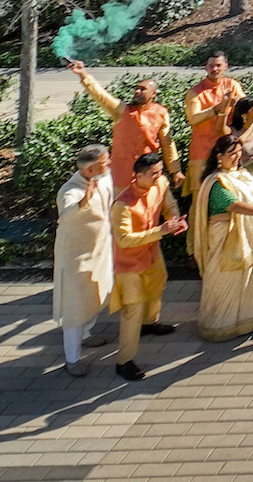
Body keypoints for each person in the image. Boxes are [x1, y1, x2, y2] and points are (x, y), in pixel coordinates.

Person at [189, 133, 253, 341]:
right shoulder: (217, 181)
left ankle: (246, 320)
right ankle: (218, 326)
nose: (236, 157)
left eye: (238, 153)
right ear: (219, 156)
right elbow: (233, 205)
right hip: (223, 238)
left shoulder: (241, 175)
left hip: (246, 235)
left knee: (245, 278)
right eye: (231, 154)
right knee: (223, 280)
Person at [108, 150, 184, 380]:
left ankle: (150, 322)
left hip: (152, 252)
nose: (159, 177)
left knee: (159, 282)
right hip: (128, 264)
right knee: (132, 310)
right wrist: (160, 231)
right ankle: (125, 361)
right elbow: (123, 240)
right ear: (137, 177)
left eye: (160, 172)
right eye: (153, 174)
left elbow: (168, 203)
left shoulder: (159, 183)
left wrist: (176, 219)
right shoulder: (122, 205)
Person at [54, 144, 115, 376]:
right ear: (90, 169)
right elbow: (66, 214)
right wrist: (83, 202)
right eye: (104, 162)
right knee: (75, 308)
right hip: (76, 260)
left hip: (101, 252)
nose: (108, 164)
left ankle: (87, 334)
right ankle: (73, 359)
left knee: (98, 295)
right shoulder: (71, 191)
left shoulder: (104, 177)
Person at [67, 61, 176, 189]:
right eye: (137, 88)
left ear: (153, 94)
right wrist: (83, 74)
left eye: (142, 89)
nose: (137, 91)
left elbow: (167, 143)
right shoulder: (122, 110)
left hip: (147, 173)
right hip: (121, 174)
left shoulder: (161, 113)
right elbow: (100, 95)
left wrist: (175, 170)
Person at [182, 52, 242, 194]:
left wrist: (236, 102)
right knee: (201, 195)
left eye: (218, 65)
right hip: (202, 152)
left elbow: (245, 107)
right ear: (206, 68)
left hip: (228, 150)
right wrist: (217, 109)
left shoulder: (232, 85)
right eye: (211, 66)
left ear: (226, 66)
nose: (214, 69)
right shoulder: (195, 92)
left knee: (229, 192)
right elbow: (193, 118)